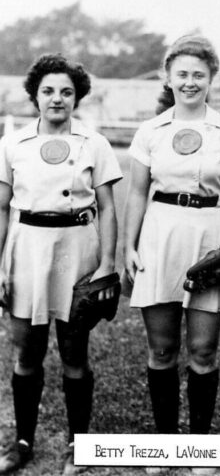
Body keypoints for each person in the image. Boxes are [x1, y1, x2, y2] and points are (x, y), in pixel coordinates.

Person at [123, 36, 220, 445]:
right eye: (182, 74)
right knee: (161, 350)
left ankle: (199, 445)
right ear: (168, 77)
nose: (190, 82)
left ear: (212, 78)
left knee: (202, 350)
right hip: (160, 235)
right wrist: (128, 245)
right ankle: (164, 445)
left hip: (210, 234)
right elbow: (138, 192)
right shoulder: (151, 131)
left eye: (199, 74)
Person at [0, 54, 122, 474]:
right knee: (27, 350)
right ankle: (21, 442)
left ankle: (78, 444)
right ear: (35, 95)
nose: (57, 99)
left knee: (74, 350)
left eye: (66, 92)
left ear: (77, 97)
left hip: (77, 249)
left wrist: (107, 262)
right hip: (28, 248)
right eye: (48, 91)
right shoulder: (12, 143)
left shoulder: (94, 143)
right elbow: (1, 208)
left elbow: (107, 208)